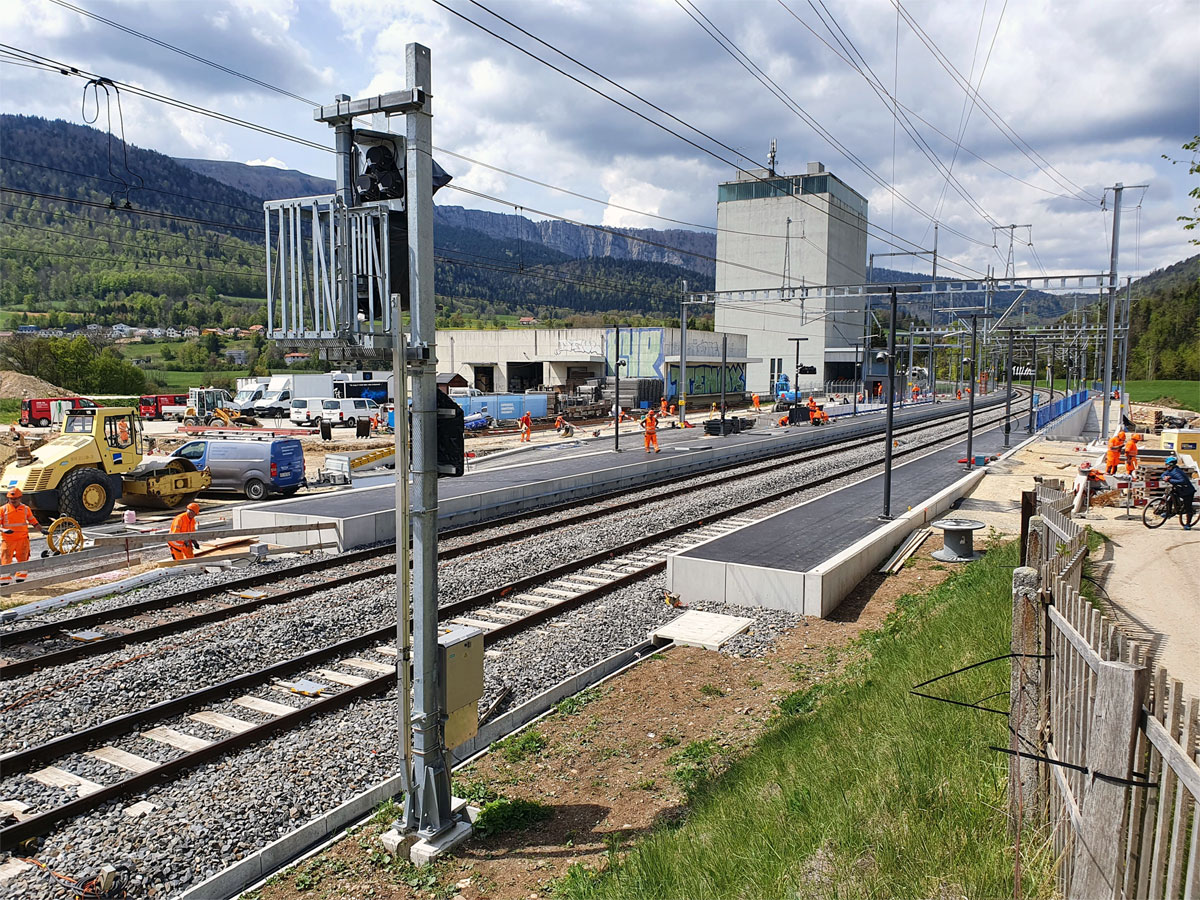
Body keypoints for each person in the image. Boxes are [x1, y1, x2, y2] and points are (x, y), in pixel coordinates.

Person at [1, 487, 41, 583]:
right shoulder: (3, 509)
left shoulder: (26, 509)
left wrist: (41, 530)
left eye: (15, 499)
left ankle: (21, 578)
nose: (13, 501)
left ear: (20, 498)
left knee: (23, 558)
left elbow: (33, 521)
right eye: (12, 499)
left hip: (22, 539)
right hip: (8, 539)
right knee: (6, 559)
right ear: (8, 499)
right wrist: (4, 530)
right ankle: (4, 580)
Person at [1162, 456, 1195, 529]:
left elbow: (1182, 481)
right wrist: (1165, 477)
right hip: (1179, 489)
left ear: (1171, 465)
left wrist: (1170, 480)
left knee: (1188, 508)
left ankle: (1188, 524)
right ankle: (1170, 512)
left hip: (1187, 491)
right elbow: (1163, 474)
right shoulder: (1170, 470)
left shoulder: (1176, 472)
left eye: (1167, 465)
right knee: (1170, 496)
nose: (1166, 466)